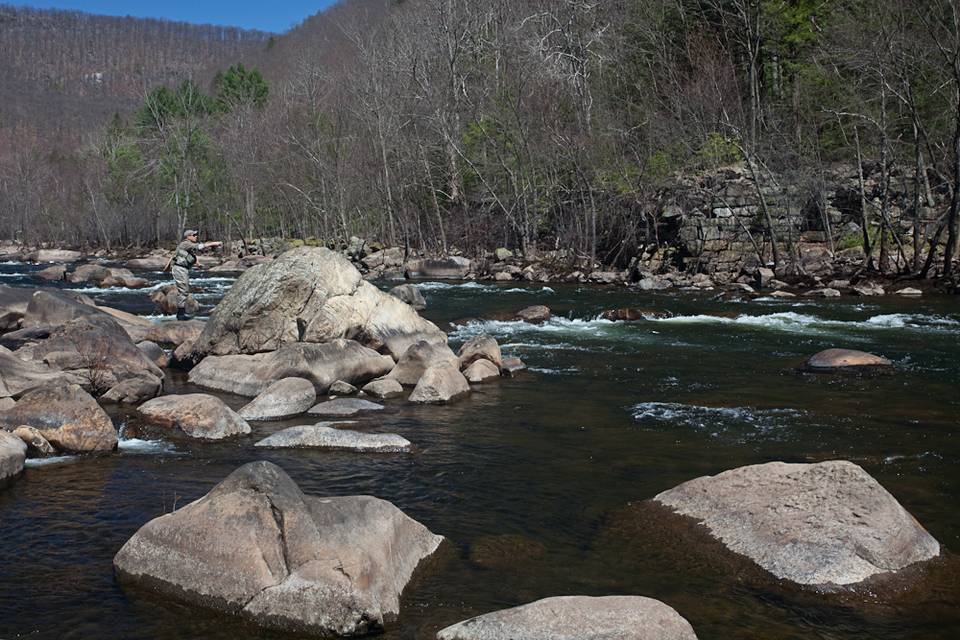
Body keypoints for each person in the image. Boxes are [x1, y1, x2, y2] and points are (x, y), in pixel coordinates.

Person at [170, 229, 222, 321]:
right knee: (183, 290)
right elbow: (200, 247)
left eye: (196, 235)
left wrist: (197, 263)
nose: (196, 236)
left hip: (182, 269)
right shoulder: (186, 243)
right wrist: (213, 243)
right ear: (188, 236)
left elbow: (190, 254)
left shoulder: (188, 245)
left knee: (184, 290)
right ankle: (181, 315)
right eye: (194, 235)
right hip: (179, 269)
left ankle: (181, 313)